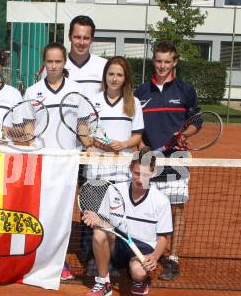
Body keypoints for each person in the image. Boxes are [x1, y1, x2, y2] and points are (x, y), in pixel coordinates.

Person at [24, 42, 90, 280]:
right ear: (44, 63)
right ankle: (38, 260)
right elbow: (28, 130)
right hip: (40, 163)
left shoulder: (76, 91)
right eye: (49, 62)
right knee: (41, 214)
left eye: (58, 61)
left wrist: (90, 145)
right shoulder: (31, 92)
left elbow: (83, 127)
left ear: (65, 63)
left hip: (67, 165)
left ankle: (58, 263)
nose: (53, 66)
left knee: (61, 216)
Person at [134, 40, 199, 281]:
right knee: (149, 209)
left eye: (167, 61)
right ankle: (148, 253)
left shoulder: (185, 91)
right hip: (150, 161)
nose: (162, 66)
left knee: (176, 210)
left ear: (175, 62)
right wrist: (142, 147)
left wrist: (184, 135)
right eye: (158, 61)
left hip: (177, 160)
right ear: (154, 61)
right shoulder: (140, 93)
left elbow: (197, 120)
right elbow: (136, 128)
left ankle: (173, 259)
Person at [82, 147, 173, 296]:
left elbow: (163, 237)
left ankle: (138, 278)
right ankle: (103, 283)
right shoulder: (115, 190)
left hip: (143, 247)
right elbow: (106, 222)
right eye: (137, 173)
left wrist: (154, 256)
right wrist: (96, 218)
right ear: (130, 169)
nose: (140, 179)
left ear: (153, 173)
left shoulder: (161, 201)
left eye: (145, 174)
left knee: (138, 272)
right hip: (117, 243)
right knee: (99, 232)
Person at [82, 56, 144, 274]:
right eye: (111, 74)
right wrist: (95, 142)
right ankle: (94, 261)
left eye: (119, 74)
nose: (114, 79)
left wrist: (123, 144)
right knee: (93, 216)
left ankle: (114, 262)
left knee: (114, 218)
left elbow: (137, 136)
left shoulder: (133, 103)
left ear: (125, 78)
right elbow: (86, 134)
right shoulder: (93, 101)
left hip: (121, 169)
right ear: (105, 76)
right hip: (97, 168)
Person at [41, 15, 107, 101]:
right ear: (69, 37)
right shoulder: (53, 65)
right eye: (77, 37)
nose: (81, 42)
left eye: (86, 38)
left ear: (92, 40)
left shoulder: (104, 65)